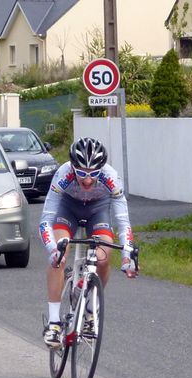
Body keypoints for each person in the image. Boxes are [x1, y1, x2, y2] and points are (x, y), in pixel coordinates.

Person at [39, 137, 136, 347]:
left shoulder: (111, 177)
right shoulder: (63, 175)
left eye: (93, 173)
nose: (88, 179)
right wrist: (53, 250)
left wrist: (128, 256)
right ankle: (54, 324)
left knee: (103, 256)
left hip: (97, 210)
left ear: (101, 169)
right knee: (60, 255)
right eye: (82, 173)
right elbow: (45, 220)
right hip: (68, 209)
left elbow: (122, 220)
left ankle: (91, 311)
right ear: (73, 168)